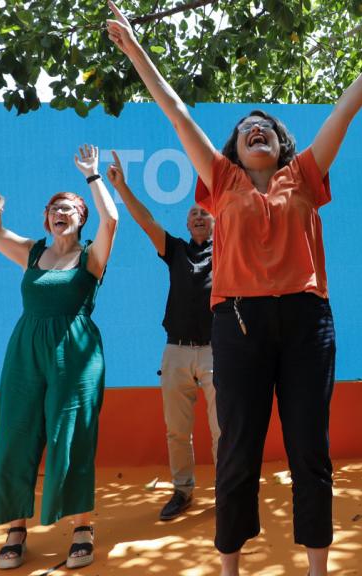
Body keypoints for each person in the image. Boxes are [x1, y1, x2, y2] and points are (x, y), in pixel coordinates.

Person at [108, 3, 362, 574]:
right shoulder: (220, 181)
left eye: (269, 127)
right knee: (237, 451)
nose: (258, 128)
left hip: (306, 324)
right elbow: (176, 113)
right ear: (234, 147)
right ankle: (230, 565)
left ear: (282, 145)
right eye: (248, 127)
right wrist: (135, 50)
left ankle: (317, 566)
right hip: (239, 327)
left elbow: (346, 109)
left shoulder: (305, 175)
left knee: (310, 450)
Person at [0, 144, 118, 571]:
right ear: (47, 218)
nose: (61, 212)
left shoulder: (92, 256)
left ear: (81, 217)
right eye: (54, 208)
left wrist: (92, 177)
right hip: (25, 350)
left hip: (75, 352)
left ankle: (81, 528)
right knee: (16, 435)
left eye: (69, 208)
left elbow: (112, 218)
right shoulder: (34, 252)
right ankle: (16, 528)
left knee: (72, 436)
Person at [105, 151, 221, 521]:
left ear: (217, 220)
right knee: (177, 431)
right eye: (193, 213)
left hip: (218, 354)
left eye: (205, 211)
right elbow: (146, 220)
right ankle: (182, 491)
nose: (199, 215)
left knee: (225, 432)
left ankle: (229, 494)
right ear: (187, 224)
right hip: (175, 353)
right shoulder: (175, 250)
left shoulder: (230, 250)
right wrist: (121, 186)